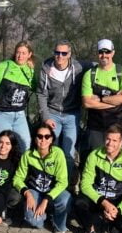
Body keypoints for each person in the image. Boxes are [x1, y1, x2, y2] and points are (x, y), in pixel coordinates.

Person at [75, 124, 122, 233]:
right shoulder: (94, 155)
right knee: (79, 202)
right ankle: (89, 229)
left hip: (116, 201)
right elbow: (85, 184)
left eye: (115, 140)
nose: (110, 143)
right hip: (98, 198)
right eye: (108, 139)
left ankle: (110, 221)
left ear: (121, 142)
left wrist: (118, 210)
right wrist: (104, 202)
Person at [37, 39, 91, 181]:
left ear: (69, 54)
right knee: (49, 149)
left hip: (72, 115)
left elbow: (97, 65)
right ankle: (47, 180)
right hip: (52, 114)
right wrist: (46, 117)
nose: (60, 56)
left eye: (64, 53)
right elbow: (42, 94)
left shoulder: (78, 67)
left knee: (68, 152)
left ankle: (65, 184)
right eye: (57, 52)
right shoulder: (46, 68)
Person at [13, 124, 71, 233]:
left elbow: (63, 182)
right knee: (34, 221)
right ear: (35, 139)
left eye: (47, 136)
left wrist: (46, 200)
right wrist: (27, 193)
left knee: (65, 199)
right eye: (39, 136)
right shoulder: (27, 155)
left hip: (53, 191)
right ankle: (45, 215)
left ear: (51, 139)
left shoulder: (58, 153)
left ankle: (58, 224)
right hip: (35, 191)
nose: (43, 139)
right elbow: (17, 178)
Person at [81, 39, 122, 158]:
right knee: (94, 157)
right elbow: (87, 103)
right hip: (95, 126)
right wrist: (114, 101)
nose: (104, 55)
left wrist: (101, 99)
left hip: (117, 124)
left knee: (117, 158)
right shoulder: (90, 74)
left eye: (107, 52)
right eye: (101, 52)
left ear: (113, 53)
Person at [0, 40, 35, 152]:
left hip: (19, 115)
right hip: (1, 114)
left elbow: (35, 87)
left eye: (23, 53)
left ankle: (20, 170)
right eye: (18, 52)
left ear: (29, 54)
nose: (20, 56)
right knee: (5, 147)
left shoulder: (30, 70)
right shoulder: (4, 66)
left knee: (25, 146)